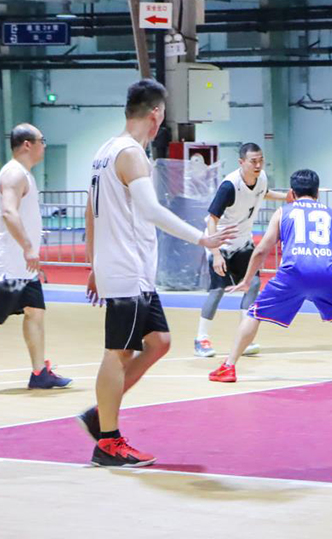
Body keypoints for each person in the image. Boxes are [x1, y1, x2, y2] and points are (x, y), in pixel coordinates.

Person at [77, 79, 235, 468]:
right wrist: (202, 238)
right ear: (156, 114)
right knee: (118, 351)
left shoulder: (104, 151)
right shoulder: (131, 154)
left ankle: (101, 413)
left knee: (159, 341)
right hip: (127, 268)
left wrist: (94, 263)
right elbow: (150, 211)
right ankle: (108, 441)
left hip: (125, 268)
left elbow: (90, 211)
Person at [208, 169, 332, 382]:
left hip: (293, 272)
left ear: (292, 193)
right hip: (328, 272)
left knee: (254, 314)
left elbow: (261, 250)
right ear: (317, 193)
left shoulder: (282, 212)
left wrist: (247, 279)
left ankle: (229, 366)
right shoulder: (331, 214)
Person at [194, 143, 289, 358]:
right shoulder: (229, 186)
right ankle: (201, 338)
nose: (258, 165)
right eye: (253, 161)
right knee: (218, 291)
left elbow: (263, 193)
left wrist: (286, 197)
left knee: (253, 284)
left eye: (260, 160)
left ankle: (244, 339)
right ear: (241, 162)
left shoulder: (261, 178)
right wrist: (216, 254)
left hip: (243, 242)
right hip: (221, 243)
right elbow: (211, 220)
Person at [0, 123, 72, 389]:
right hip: (9, 266)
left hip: (24, 269)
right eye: (42, 140)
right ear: (27, 144)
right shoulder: (13, 173)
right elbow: (8, 212)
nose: (45, 145)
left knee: (35, 312)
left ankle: (39, 372)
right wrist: (28, 247)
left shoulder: (24, 175)